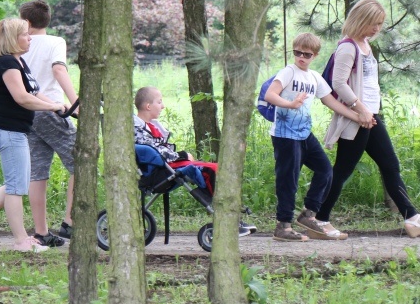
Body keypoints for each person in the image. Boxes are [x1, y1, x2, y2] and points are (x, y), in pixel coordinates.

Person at [0, 18, 68, 253]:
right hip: (8, 131)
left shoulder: (19, 61)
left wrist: (60, 106)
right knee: (16, 188)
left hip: (16, 131)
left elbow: (35, 92)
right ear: (13, 38)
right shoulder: (7, 63)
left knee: (16, 183)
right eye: (25, 35)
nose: (30, 38)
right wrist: (52, 107)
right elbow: (22, 98)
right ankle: (21, 241)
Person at [316, 0, 420, 237]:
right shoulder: (347, 47)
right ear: (360, 19)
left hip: (370, 116)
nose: (377, 28)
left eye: (380, 24)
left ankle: (412, 217)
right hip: (357, 118)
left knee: (390, 165)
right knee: (343, 170)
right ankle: (318, 219)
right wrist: (360, 109)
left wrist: (367, 111)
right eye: (373, 23)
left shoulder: (365, 44)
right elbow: (338, 83)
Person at [263, 32, 368, 241]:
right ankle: (283, 227)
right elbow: (270, 94)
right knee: (289, 180)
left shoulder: (313, 77)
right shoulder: (288, 72)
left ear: (315, 55)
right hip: (285, 135)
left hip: (304, 134)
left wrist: (357, 117)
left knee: (325, 170)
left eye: (307, 54)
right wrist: (290, 104)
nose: (301, 57)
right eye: (297, 53)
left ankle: (308, 214)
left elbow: (331, 101)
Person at [133, 86, 256, 237]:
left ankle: (231, 216)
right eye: (159, 102)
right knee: (211, 170)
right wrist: (183, 155)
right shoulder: (137, 129)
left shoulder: (151, 126)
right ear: (148, 106)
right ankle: (227, 220)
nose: (162, 106)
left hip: (166, 167)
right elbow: (156, 152)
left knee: (218, 168)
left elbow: (159, 150)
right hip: (158, 172)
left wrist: (182, 156)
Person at [17, 0, 76, 246]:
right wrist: (76, 103)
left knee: (37, 173)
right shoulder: (56, 42)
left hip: (26, 111)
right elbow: (59, 70)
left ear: (26, 21)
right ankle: (70, 222)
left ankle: (41, 231)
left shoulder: (19, 44)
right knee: (82, 161)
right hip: (51, 109)